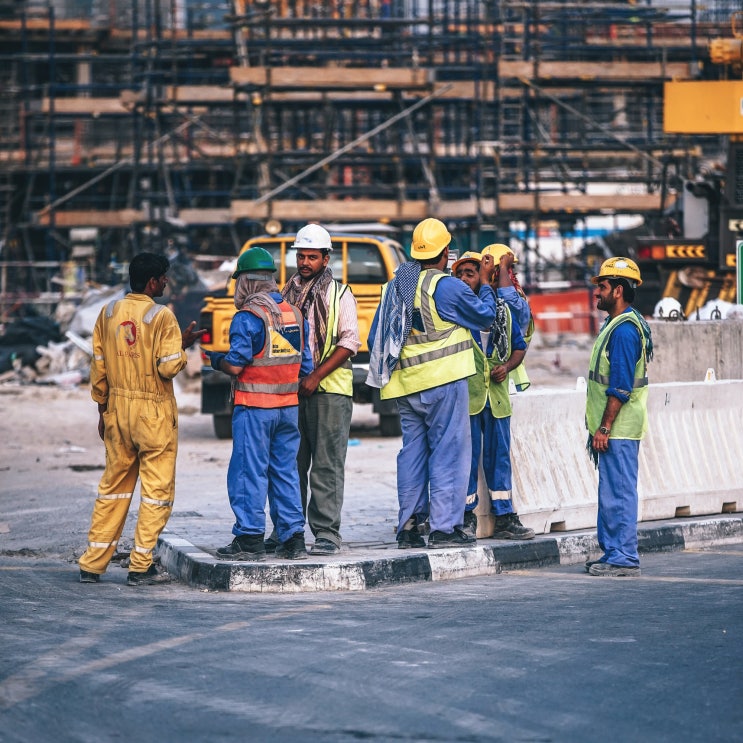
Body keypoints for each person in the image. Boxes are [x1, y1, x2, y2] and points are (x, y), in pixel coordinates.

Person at [367, 218, 496, 549]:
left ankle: (409, 527)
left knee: (412, 454)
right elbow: (484, 317)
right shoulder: (446, 286)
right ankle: (443, 528)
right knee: (449, 453)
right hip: (444, 382)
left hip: (405, 386)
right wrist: (484, 282)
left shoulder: (397, 285)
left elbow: (375, 337)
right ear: (445, 254)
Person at [78, 252, 205, 586]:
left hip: (117, 409)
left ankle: (92, 563)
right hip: (152, 413)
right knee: (156, 493)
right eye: (163, 278)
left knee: (113, 489)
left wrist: (103, 412)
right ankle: (140, 566)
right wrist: (183, 345)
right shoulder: (161, 316)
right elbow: (167, 366)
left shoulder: (107, 313)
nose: (166, 282)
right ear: (152, 282)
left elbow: (99, 368)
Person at [206, 248, 314, 562]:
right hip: (288, 408)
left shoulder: (248, 316)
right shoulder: (294, 313)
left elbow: (236, 366)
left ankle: (249, 538)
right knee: (285, 471)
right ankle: (293, 539)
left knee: (248, 472)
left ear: (247, 282)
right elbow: (304, 365)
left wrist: (216, 361)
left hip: (254, 407)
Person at [276, 223, 360, 556]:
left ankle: (326, 532)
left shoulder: (340, 294)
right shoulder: (284, 296)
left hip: (330, 392)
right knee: (290, 464)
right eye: (302, 256)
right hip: (291, 391)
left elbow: (349, 342)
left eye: (313, 256)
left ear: (326, 259)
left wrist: (315, 377)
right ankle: (289, 530)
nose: (305, 262)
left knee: (326, 464)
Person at [451, 251, 533, 540]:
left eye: (470, 274)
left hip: (497, 401)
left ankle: (505, 517)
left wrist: (507, 366)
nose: (463, 279)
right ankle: (465, 516)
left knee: (499, 458)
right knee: (467, 460)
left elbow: (520, 347)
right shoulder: (456, 314)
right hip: (468, 400)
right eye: (459, 275)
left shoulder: (503, 313)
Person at [585, 257, 653, 577]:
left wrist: (604, 426)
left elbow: (621, 386)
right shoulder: (618, 324)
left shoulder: (625, 331)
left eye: (603, 286)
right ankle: (613, 552)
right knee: (611, 493)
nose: (597, 292)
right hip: (617, 428)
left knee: (621, 492)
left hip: (619, 428)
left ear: (619, 290)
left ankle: (624, 556)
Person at [481, 243, 534, 392]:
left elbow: (508, 299)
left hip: (510, 380)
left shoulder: (519, 305)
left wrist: (503, 268)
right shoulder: (484, 303)